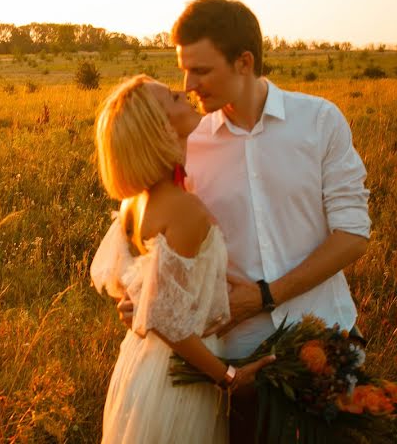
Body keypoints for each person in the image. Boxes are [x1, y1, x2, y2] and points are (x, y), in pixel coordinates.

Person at [117, 0, 371, 443]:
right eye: (183, 70)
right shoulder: (184, 140)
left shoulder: (319, 121)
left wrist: (266, 296)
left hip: (325, 337)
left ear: (244, 61)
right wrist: (138, 291)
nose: (188, 83)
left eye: (200, 70)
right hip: (234, 358)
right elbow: (142, 234)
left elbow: (352, 234)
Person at [91, 75, 275, 443]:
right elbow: (165, 317)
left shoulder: (138, 202)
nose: (186, 94)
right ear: (160, 128)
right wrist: (228, 378)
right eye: (174, 98)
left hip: (142, 366)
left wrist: (140, 300)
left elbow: (131, 283)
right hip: (178, 377)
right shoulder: (183, 208)